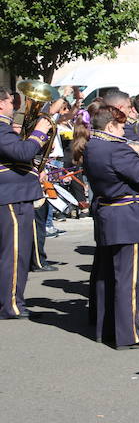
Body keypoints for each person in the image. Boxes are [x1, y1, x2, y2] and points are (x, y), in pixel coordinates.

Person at [74, 104, 139, 349]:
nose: (125, 131)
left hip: (111, 215)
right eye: (122, 126)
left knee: (109, 277)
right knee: (129, 279)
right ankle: (130, 335)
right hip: (129, 218)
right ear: (111, 126)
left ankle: (109, 329)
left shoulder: (93, 146)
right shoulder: (116, 149)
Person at [0, 86, 52, 320]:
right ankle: (11, 305)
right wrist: (39, 132)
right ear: (1, 105)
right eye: (11, 102)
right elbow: (21, 153)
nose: (15, 106)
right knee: (14, 254)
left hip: (13, 192)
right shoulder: (1, 128)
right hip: (12, 195)